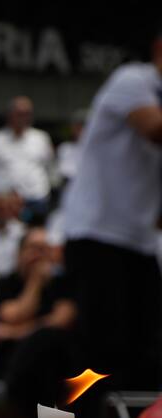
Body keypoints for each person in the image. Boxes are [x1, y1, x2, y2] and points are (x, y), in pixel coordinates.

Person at [61, 24, 162, 394]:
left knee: (147, 350)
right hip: (97, 235)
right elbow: (153, 128)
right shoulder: (133, 80)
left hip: (139, 242)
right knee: (100, 348)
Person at [0, 227, 77, 409]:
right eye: (33, 248)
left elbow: (60, 322)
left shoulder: (63, 284)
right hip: (11, 364)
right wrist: (35, 283)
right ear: (19, 253)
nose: (38, 256)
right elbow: (12, 316)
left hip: (52, 369)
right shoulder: (6, 283)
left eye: (44, 250)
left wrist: (14, 333)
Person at [0, 96, 54, 220]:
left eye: (27, 113)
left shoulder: (41, 138)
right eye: (20, 113)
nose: (24, 117)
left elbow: (50, 169)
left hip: (35, 201)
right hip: (2, 204)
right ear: (9, 115)